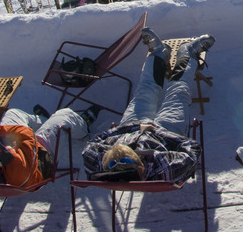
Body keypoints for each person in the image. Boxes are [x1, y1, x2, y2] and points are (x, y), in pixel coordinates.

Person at [81, 29, 213, 183]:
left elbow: (91, 146)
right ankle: (187, 53)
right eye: (128, 161)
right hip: (168, 131)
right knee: (178, 91)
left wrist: (127, 130)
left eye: (112, 162)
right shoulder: (163, 168)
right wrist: (159, 133)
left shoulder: (99, 166)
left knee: (145, 89)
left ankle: (159, 53)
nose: (118, 160)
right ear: (138, 164)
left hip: (130, 127)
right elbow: (192, 151)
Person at [0, 104, 97, 187]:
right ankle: (84, 128)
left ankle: (45, 120)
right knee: (65, 114)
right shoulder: (17, 166)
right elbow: (27, 135)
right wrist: (1, 134)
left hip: (17, 152)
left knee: (13, 113)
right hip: (41, 157)